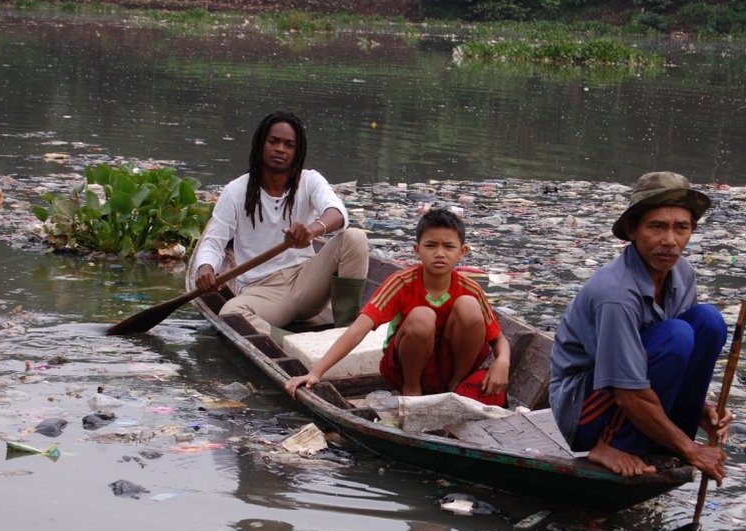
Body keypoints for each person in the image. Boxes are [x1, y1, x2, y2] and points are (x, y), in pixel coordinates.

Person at [549, 171, 732, 483]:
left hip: (634, 391)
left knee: (708, 321)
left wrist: (700, 408)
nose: (670, 241)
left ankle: (661, 437)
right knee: (677, 335)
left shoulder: (682, 273)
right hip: (585, 410)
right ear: (633, 230)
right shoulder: (616, 294)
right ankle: (609, 445)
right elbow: (628, 391)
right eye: (657, 227)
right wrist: (691, 450)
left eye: (681, 229)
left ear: (692, 231)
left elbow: (676, 359)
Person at [285, 208, 510, 403]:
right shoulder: (402, 283)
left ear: (462, 252)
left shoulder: (470, 288)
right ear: (416, 250)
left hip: (450, 366)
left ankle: (456, 386)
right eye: (430, 245)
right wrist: (316, 373)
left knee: (469, 307)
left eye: (448, 247)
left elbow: (498, 338)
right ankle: (411, 391)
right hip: (408, 369)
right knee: (422, 316)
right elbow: (357, 330)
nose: (439, 253)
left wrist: (502, 361)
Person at [193, 110, 369, 335]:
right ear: (261, 145)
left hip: (306, 281)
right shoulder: (235, 191)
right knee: (232, 314)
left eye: (289, 145)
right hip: (263, 291)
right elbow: (213, 242)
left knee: (355, 237)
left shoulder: (309, 180)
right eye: (273, 141)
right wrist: (205, 268)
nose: (280, 149)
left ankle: (347, 331)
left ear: (297, 152)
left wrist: (312, 231)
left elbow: (337, 212)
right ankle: (289, 344)